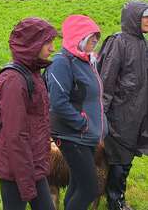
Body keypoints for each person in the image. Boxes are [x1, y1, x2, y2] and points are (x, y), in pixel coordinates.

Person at [0, 17, 57, 210]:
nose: (52, 48)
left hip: (32, 163)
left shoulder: (32, 73)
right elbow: (15, 136)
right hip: (15, 168)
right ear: (32, 44)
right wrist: (26, 184)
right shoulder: (14, 80)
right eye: (48, 42)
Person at [45, 15, 108, 210]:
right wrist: (83, 123)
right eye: (91, 37)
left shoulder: (87, 61)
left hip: (88, 136)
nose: (95, 41)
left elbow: (93, 97)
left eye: (96, 37)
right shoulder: (62, 63)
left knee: (78, 184)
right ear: (77, 38)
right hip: (72, 135)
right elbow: (58, 102)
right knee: (89, 189)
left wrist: (101, 124)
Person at [98, 0, 148, 210]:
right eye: (145, 16)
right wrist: (101, 116)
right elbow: (106, 81)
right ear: (133, 18)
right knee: (119, 157)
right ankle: (115, 201)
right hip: (120, 114)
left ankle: (115, 197)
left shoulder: (141, 41)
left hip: (137, 111)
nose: (147, 20)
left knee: (127, 158)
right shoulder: (118, 42)